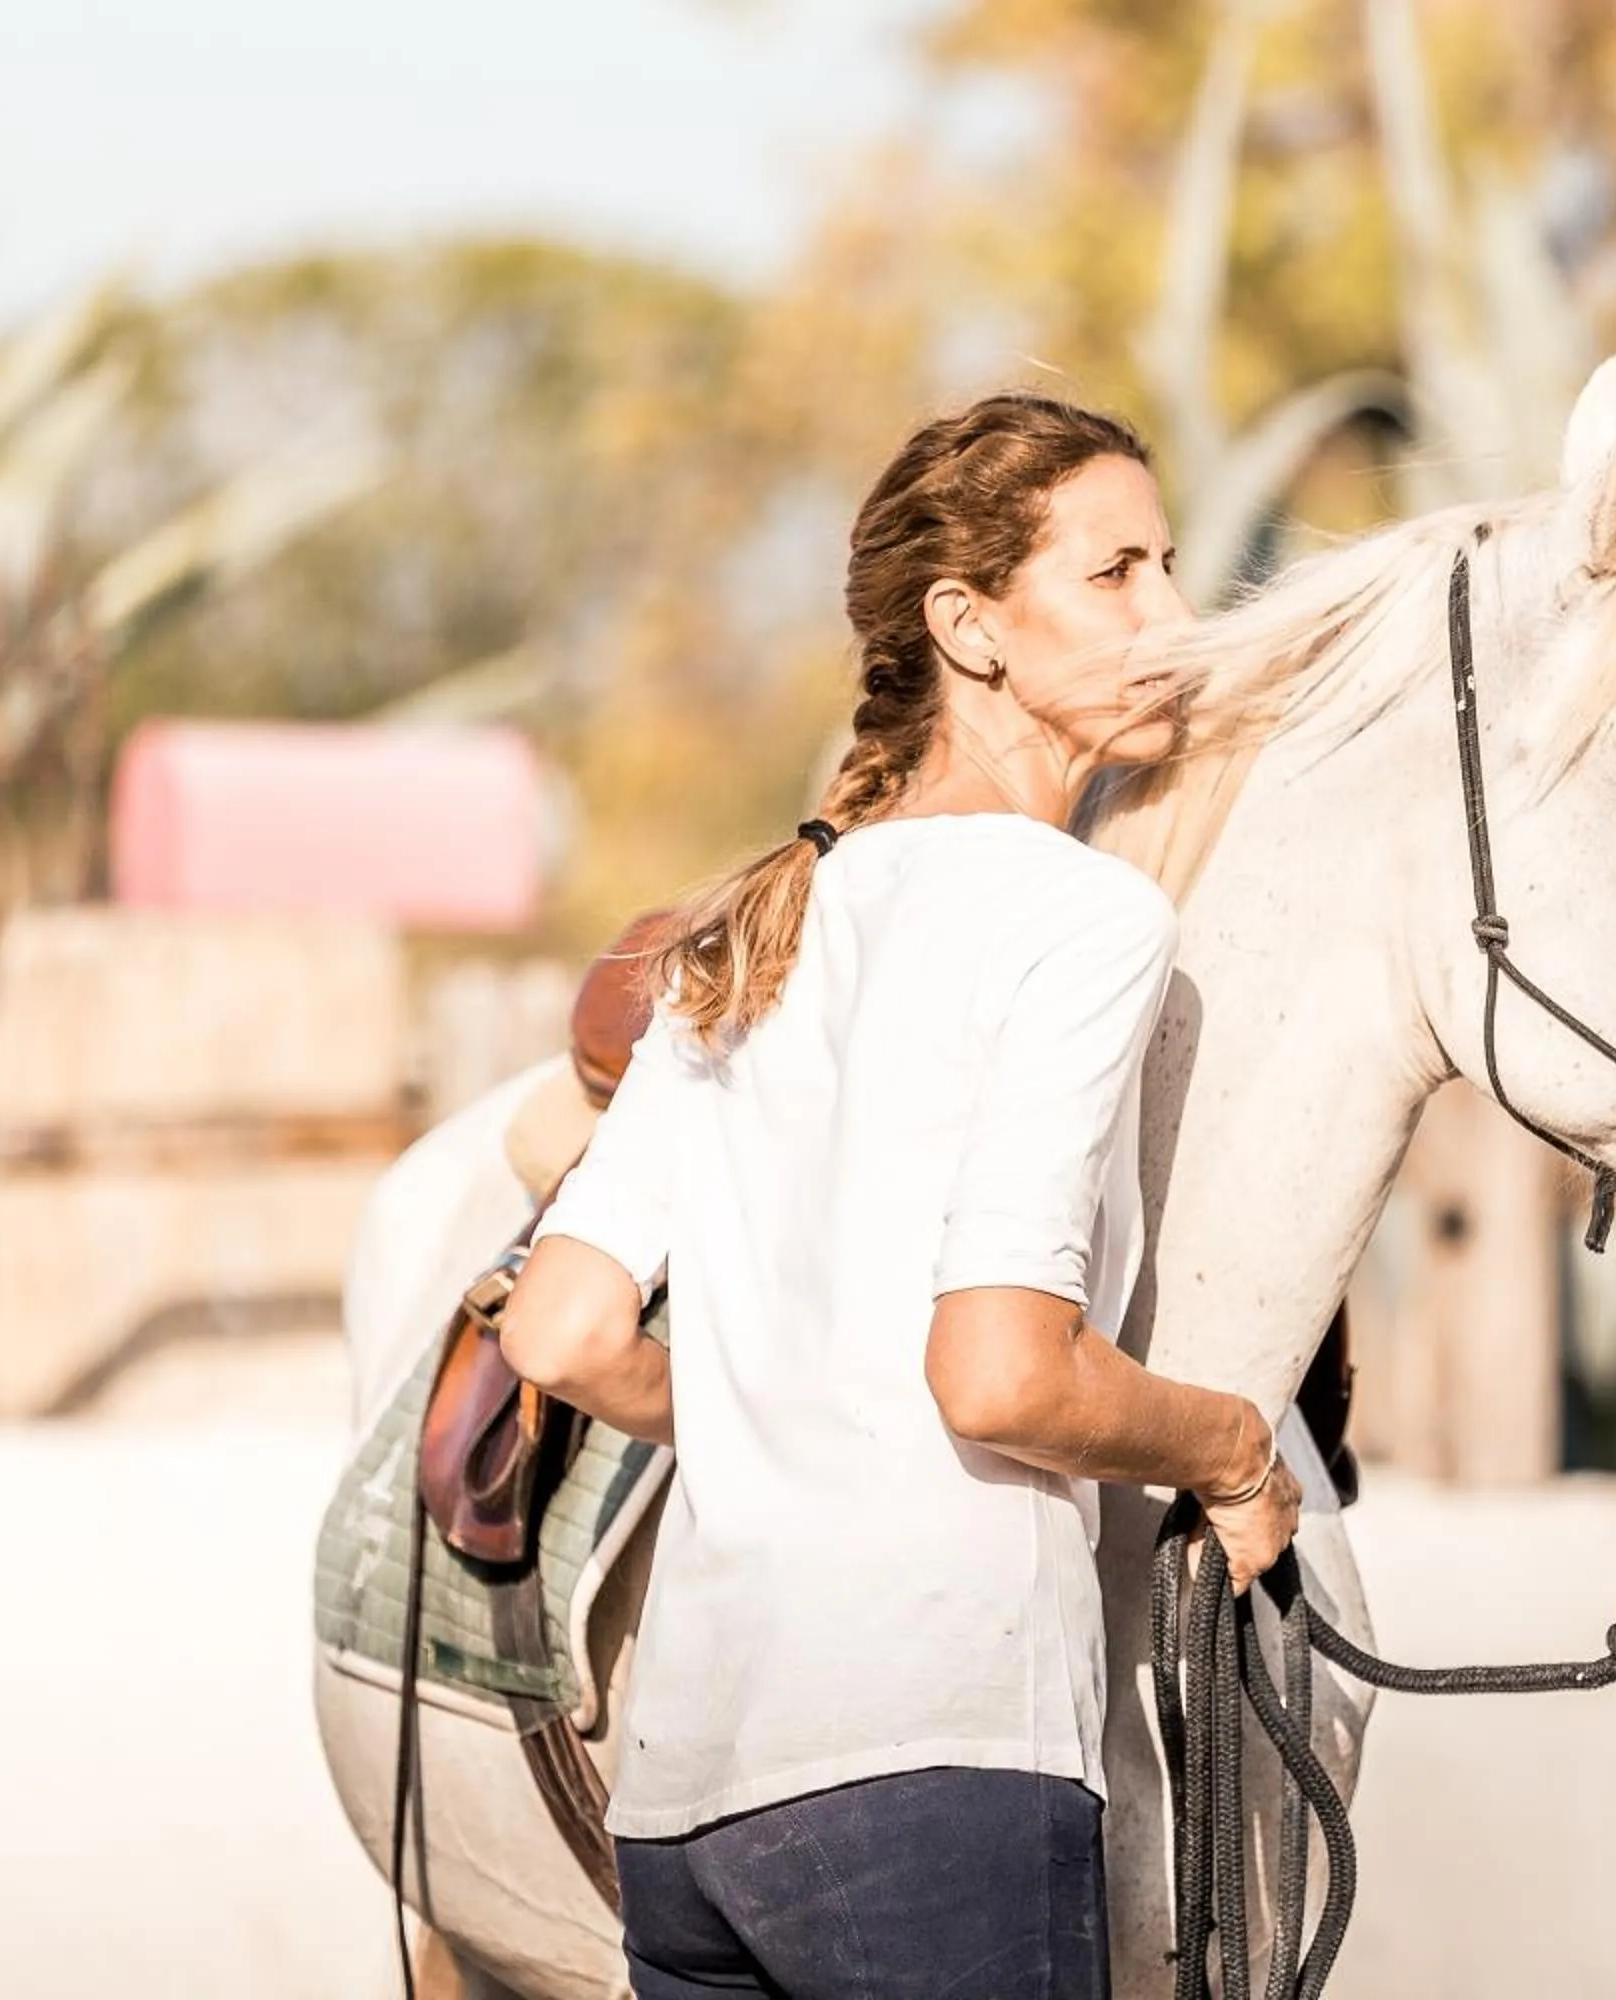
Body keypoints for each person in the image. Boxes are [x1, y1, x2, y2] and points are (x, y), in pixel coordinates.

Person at [498, 391, 1302, 1999]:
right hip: (934, 1766)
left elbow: (561, 1332)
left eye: (1169, 566)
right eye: (1117, 574)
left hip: (687, 1804)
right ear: (969, 626)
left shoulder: (744, 928)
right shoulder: (1084, 919)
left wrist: (763, 1405)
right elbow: (999, 1374)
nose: (1176, 617)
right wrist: (1231, 1448)